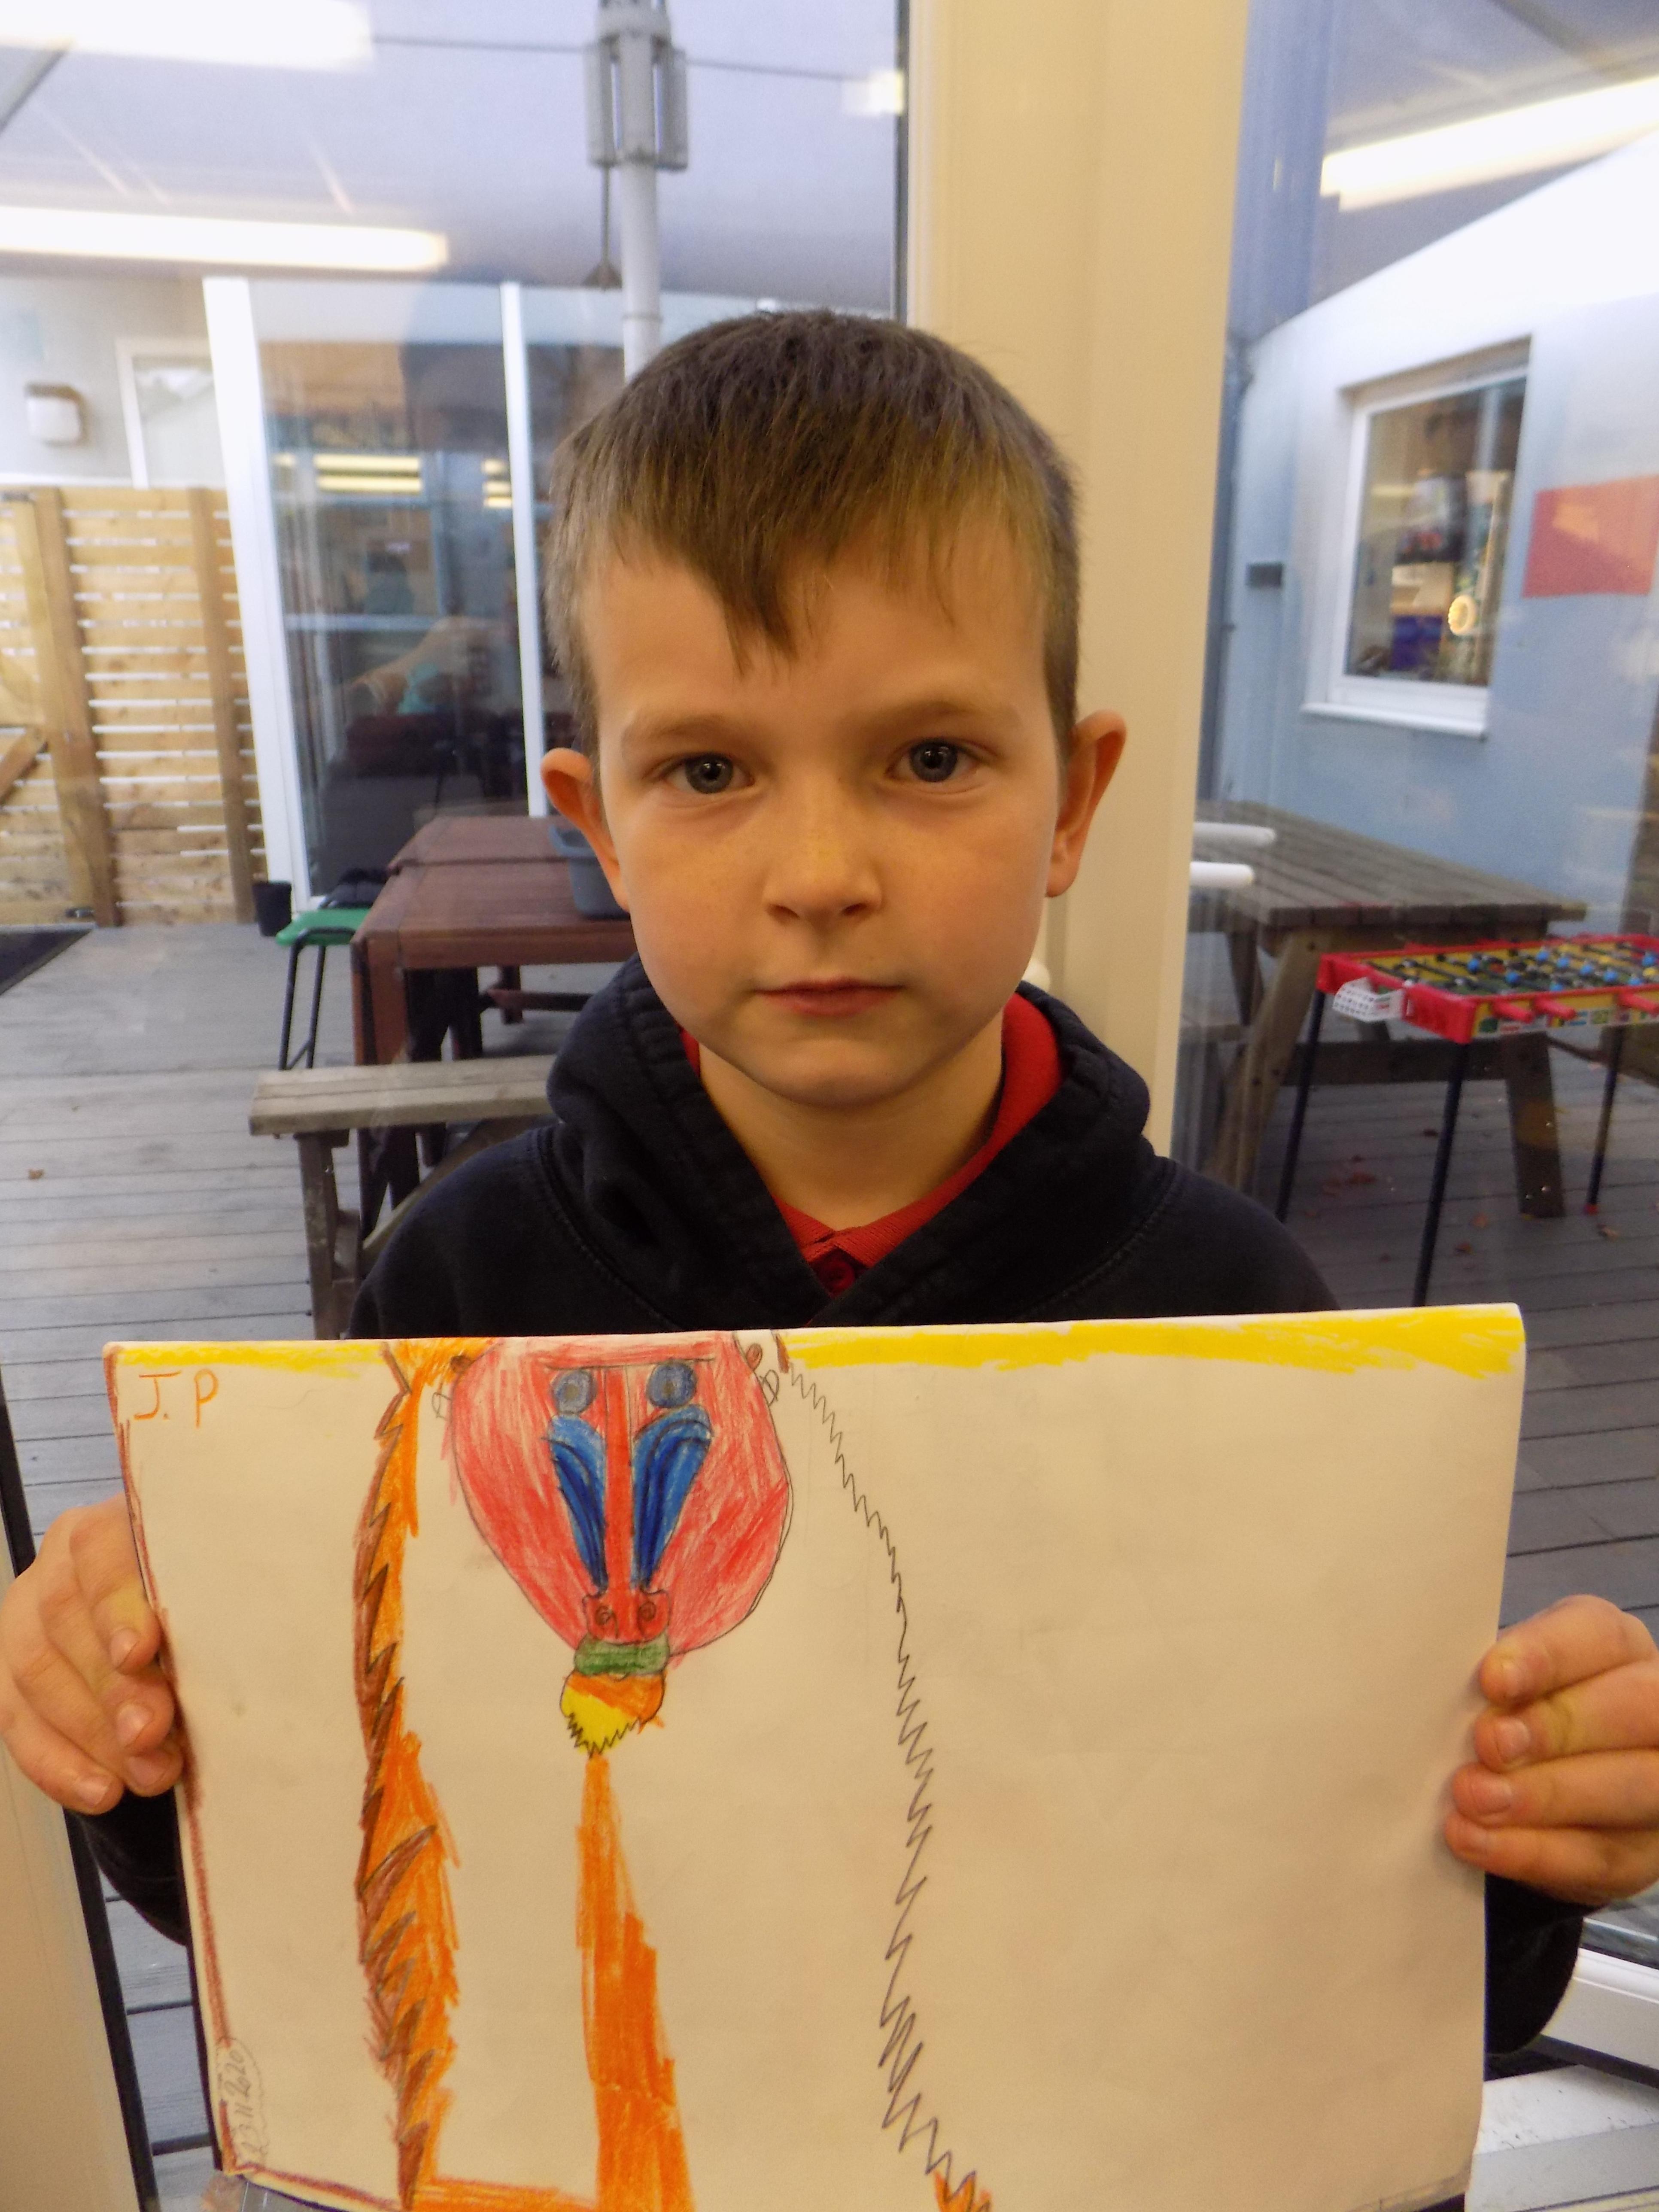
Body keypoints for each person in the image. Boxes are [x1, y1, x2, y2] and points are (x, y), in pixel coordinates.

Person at [4, 313, 1657, 2057]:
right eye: (709, 771)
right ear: (599, 821)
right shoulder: (458, 1292)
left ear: (1073, 800)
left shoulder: (1240, 1322)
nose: (820, 872)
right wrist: (151, 1730)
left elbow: (1385, 1976)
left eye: (930, 759)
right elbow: (341, 1864)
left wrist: (1526, 1838)